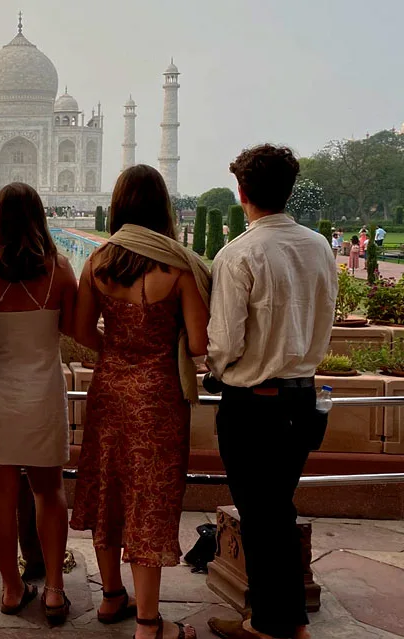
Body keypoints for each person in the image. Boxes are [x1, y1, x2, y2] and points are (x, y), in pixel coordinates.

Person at [71, 164, 210, 639]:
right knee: (149, 499)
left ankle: (113, 596)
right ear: (162, 209)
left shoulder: (98, 263)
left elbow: (82, 330)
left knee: (109, 488)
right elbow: (197, 343)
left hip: (110, 389)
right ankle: (149, 624)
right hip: (159, 397)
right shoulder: (177, 266)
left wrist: (117, 346)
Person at [206, 145, 337, 639]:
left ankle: (270, 623)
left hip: (254, 405)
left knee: (263, 515)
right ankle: (286, 620)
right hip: (303, 399)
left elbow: (224, 342)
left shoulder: (239, 253)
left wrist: (218, 367)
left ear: (242, 192)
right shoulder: (319, 246)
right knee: (276, 509)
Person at [0, 183, 78, 626]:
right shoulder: (60, 270)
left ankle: (12, 588)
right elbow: (74, 330)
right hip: (43, 394)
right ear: (40, 218)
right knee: (49, 491)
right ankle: (54, 590)